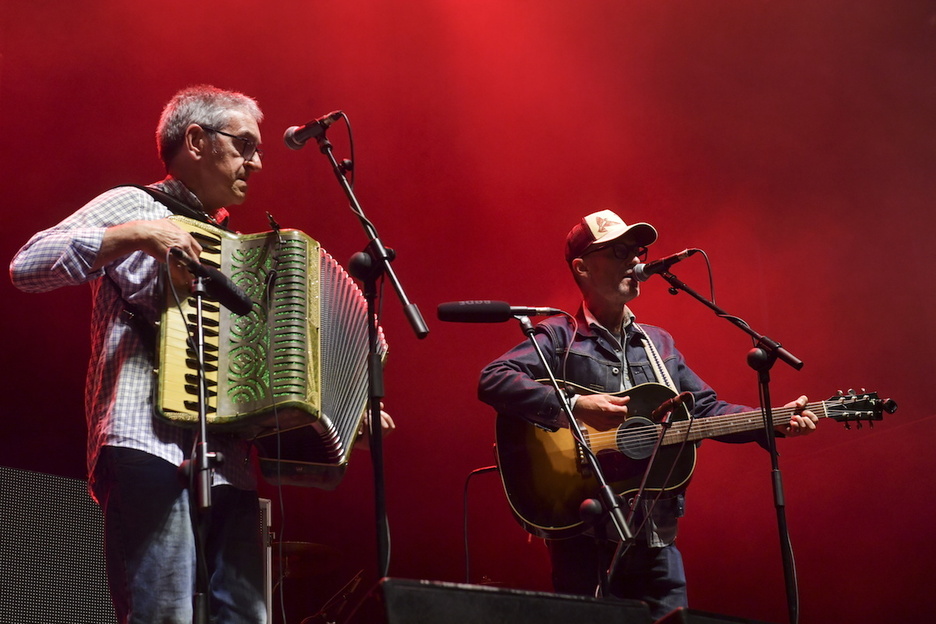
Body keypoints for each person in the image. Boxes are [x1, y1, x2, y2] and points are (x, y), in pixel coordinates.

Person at [10, 85, 393, 624]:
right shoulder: (138, 204)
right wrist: (138, 233)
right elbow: (27, 265)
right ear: (195, 140)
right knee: (163, 614)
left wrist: (343, 402)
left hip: (227, 464)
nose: (256, 162)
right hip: (146, 444)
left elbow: (263, 370)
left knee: (246, 617)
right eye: (244, 145)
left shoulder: (237, 247)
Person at [477, 209, 818, 619]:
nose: (634, 261)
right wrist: (576, 406)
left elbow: (705, 409)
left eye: (637, 251)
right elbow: (494, 379)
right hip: (584, 537)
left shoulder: (658, 343)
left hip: (656, 538)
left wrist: (771, 419)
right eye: (619, 251)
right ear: (582, 268)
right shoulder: (558, 336)